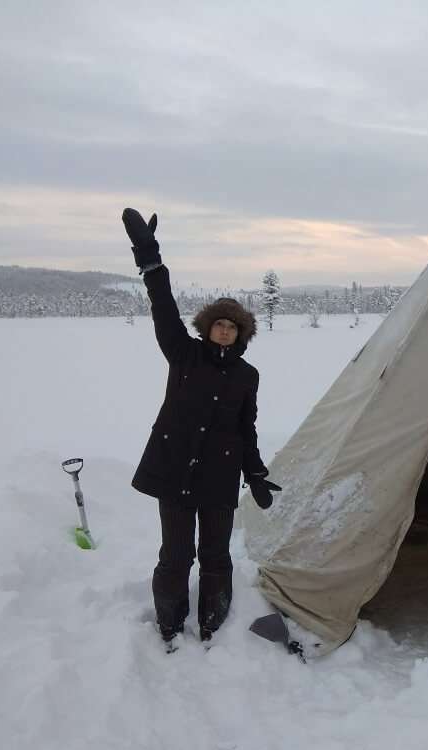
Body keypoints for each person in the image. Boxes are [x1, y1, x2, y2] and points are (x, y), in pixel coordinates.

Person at [122, 207, 281, 648]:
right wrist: (150, 259)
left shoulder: (247, 376)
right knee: (175, 555)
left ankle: (213, 619)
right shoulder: (184, 354)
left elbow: (245, 429)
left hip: (219, 475)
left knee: (215, 554)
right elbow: (163, 307)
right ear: (207, 329)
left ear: (241, 333)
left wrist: (257, 474)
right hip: (175, 470)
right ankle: (169, 622)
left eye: (233, 327)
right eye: (219, 325)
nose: (225, 331)